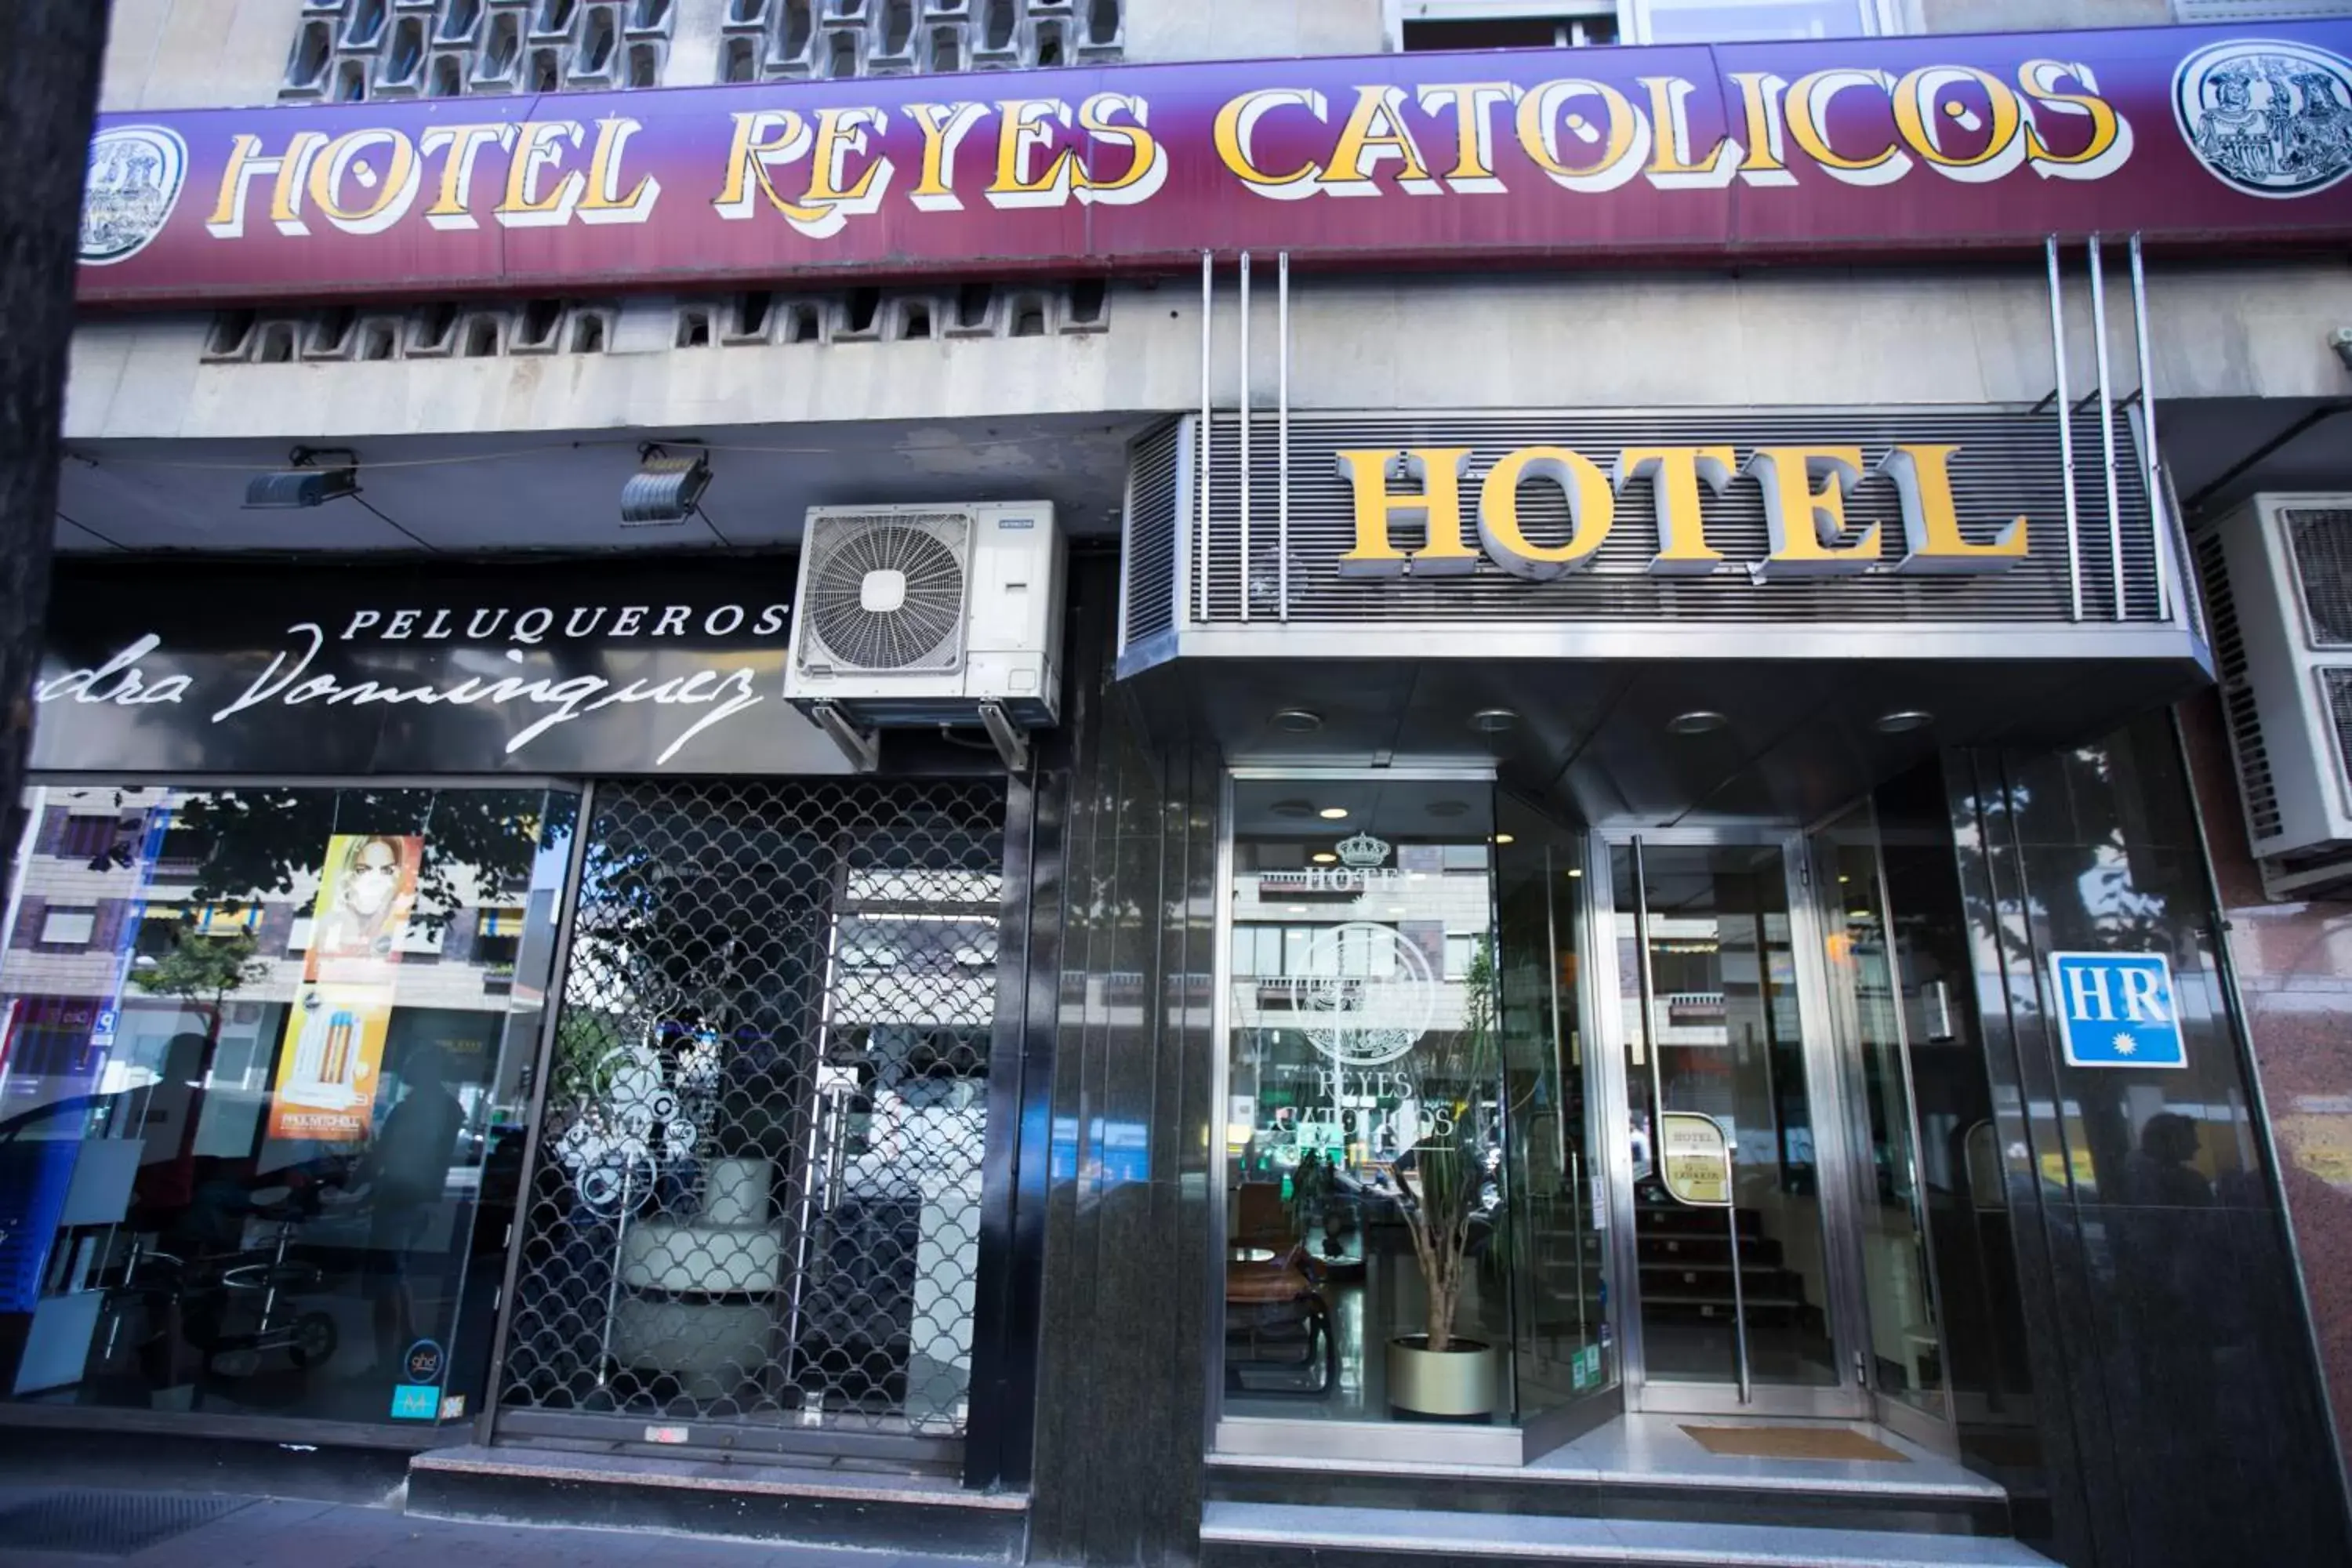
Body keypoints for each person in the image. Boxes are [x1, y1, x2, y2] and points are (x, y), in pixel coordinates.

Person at [358, 1044, 466, 1373]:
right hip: (422, 1199)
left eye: (413, 1062)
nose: (407, 1068)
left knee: (386, 1279)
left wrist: (353, 1187)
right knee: (398, 1273)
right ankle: (408, 1339)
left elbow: (384, 1156)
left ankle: (384, 1361)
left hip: (398, 1197)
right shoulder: (451, 1109)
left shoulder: (409, 1110)